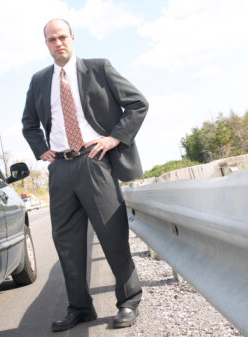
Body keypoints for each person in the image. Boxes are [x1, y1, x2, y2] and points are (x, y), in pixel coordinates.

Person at [21, 18, 149, 332]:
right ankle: (80, 308)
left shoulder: (99, 68)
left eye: (62, 37)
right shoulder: (39, 80)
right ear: (46, 44)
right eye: (51, 39)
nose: (58, 43)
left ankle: (128, 301)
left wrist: (114, 137)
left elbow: (137, 104)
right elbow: (29, 123)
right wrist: (42, 150)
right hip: (61, 169)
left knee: (111, 234)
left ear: (73, 38)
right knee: (66, 242)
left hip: (95, 161)